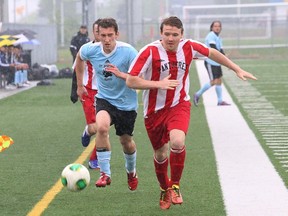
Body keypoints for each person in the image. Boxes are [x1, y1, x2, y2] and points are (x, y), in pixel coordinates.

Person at [126, 16, 257, 210]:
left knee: (178, 141)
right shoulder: (149, 51)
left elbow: (212, 53)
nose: (170, 38)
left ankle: (176, 186)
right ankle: (164, 188)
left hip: (179, 105)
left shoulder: (189, 47)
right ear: (161, 33)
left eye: (175, 35)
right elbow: (130, 80)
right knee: (160, 154)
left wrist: (236, 68)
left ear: (182, 35)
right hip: (153, 111)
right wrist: (158, 84)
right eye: (167, 34)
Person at [75, 18, 139, 190]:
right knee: (102, 128)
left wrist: (121, 74)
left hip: (126, 104)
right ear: (98, 35)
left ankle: (131, 171)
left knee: (126, 142)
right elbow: (79, 58)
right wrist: (80, 85)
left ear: (117, 34)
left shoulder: (129, 52)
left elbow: (139, 78)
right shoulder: (91, 49)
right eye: (103, 35)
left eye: (110, 35)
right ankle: (105, 174)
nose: (107, 39)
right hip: (104, 99)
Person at [72, 19, 102, 169]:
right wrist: (77, 87)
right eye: (98, 32)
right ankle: (87, 131)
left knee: (102, 128)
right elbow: (77, 67)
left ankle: (94, 158)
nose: (101, 35)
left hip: (106, 94)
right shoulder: (86, 49)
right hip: (88, 92)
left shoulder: (113, 49)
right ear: (93, 32)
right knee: (95, 128)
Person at [193, 20, 230, 106]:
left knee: (219, 80)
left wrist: (226, 60)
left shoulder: (218, 38)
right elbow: (214, 49)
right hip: (211, 62)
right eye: (215, 26)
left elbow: (220, 50)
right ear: (212, 28)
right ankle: (197, 94)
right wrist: (224, 58)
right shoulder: (211, 36)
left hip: (216, 62)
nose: (217, 28)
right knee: (214, 81)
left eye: (219, 26)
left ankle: (220, 101)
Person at [70, 25, 90, 104]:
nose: (83, 30)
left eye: (84, 29)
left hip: (86, 62)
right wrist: (77, 57)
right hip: (77, 60)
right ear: (80, 29)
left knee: (86, 77)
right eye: (82, 29)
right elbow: (72, 48)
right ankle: (74, 96)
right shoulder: (75, 38)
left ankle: (85, 93)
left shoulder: (87, 39)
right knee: (76, 77)